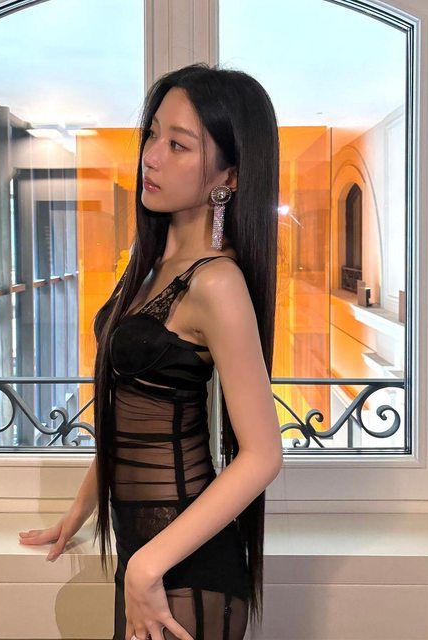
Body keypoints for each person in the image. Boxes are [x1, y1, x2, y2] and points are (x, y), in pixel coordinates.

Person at [19, 62, 283, 640]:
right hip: (148, 557)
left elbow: (263, 455)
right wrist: (79, 511)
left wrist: (146, 566)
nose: (151, 157)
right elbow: (131, 412)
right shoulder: (150, 267)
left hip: (184, 569)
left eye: (178, 145)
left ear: (230, 176)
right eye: (152, 136)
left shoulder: (216, 282)